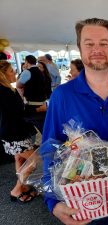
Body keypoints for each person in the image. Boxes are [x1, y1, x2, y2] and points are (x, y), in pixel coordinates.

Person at [41, 18, 108, 225]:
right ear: (80, 49)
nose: (97, 49)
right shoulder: (62, 95)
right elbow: (49, 150)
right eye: (89, 44)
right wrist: (53, 202)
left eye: (103, 43)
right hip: (87, 204)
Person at [0, 61, 38, 203]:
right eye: (11, 70)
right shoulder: (3, 92)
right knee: (34, 161)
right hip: (14, 134)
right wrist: (37, 109)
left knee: (20, 159)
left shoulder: (8, 89)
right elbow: (18, 112)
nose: (15, 73)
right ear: (2, 74)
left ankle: (22, 186)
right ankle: (17, 189)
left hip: (15, 132)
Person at [16, 55, 47, 133]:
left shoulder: (27, 72)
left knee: (30, 129)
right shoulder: (40, 71)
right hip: (42, 104)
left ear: (27, 62)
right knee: (43, 128)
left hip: (32, 106)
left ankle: (34, 143)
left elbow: (18, 85)